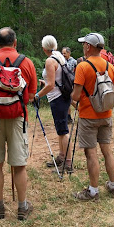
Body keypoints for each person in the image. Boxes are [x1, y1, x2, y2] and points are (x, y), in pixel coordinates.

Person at [0, 27, 37, 220]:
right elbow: (30, 95)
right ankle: (22, 207)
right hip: (18, 117)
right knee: (19, 166)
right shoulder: (26, 63)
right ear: (15, 42)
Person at [71, 32, 114, 201]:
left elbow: (76, 96)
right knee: (107, 151)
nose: (83, 46)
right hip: (106, 114)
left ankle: (93, 191)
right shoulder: (109, 67)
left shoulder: (82, 67)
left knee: (91, 153)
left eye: (84, 44)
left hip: (88, 116)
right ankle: (113, 185)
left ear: (89, 47)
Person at [35, 35, 73, 173]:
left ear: (44, 48)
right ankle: (62, 157)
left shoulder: (50, 61)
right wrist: (45, 84)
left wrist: (37, 95)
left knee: (63, 131)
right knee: (60, 129)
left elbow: (51, 85)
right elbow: (56, 80)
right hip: (62, 96)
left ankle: (68, 163)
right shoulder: (59, 56)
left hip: (58, 98)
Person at [62, 47, 77, 123]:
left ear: (69, 53)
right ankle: (68, 117)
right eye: (62, 53)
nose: (63, 55)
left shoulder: (74, 62)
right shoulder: (62, 61)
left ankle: (80, 109)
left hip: (72, 83)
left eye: (64, 53)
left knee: (71, 100)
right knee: (67, 100)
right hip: (65, 83)